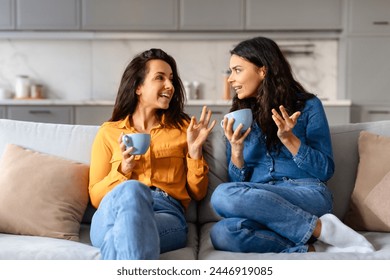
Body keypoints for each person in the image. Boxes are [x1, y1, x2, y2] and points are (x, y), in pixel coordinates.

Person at [210, 36, 375, 253]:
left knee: (221, 195)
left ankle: (315, 229)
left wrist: (290, 140)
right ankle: (317, 236)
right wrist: (237, 151)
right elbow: (239, 187)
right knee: (222, 232)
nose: (231, 79)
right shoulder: (239, 116)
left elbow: (324, 171)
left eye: (237, 70)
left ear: (262, 70)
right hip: (262, 200)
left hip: (306, 194)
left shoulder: (308, 106)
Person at [88, 48, 215, 259]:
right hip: (112, 212)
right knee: (132, 190)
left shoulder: (183, 128)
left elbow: (198, 193)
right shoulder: (108, 132)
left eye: (171, 79)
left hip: (166, 214)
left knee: (118, 237)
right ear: (138, 87)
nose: (170, 86)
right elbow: (95, 197)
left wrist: (194, 152)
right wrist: (123, 171)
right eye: (160, 78)